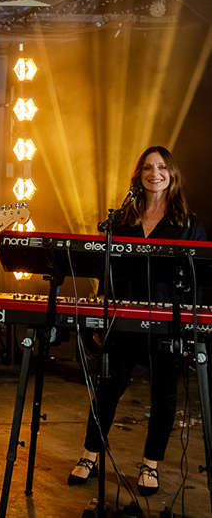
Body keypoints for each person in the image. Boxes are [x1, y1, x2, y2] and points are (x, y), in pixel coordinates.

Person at [68, 145, 207, 496]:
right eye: (147, 167)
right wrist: (100, 320)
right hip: (122, 319)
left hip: (167, 322)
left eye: (161, 167)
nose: (154, 173)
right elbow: (106, 273)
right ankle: (90, 456)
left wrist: (191, 331)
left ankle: (151, 465)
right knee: (107, 389)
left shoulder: (189, 225)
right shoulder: (121, 221)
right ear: (139, 175)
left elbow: (199, 282)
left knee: (163, 395)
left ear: (172, 174)